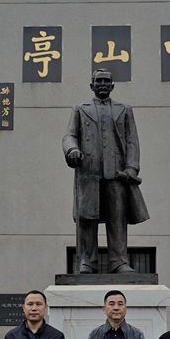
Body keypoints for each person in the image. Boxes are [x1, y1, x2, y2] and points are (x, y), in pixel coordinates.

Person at [63, 68, 149, 274]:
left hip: (116, 174)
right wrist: (72, 150)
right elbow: (69, 136)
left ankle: (119, 261)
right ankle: (87, 261)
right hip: (88, 172)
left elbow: (132, 141)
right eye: (98, 81)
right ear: (91, 85)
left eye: (106, 81)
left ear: (112, 86)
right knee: (87, 218)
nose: (102, 84)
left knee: (117, 218)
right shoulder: (79, 109)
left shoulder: (124, 110)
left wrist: (131, 167)